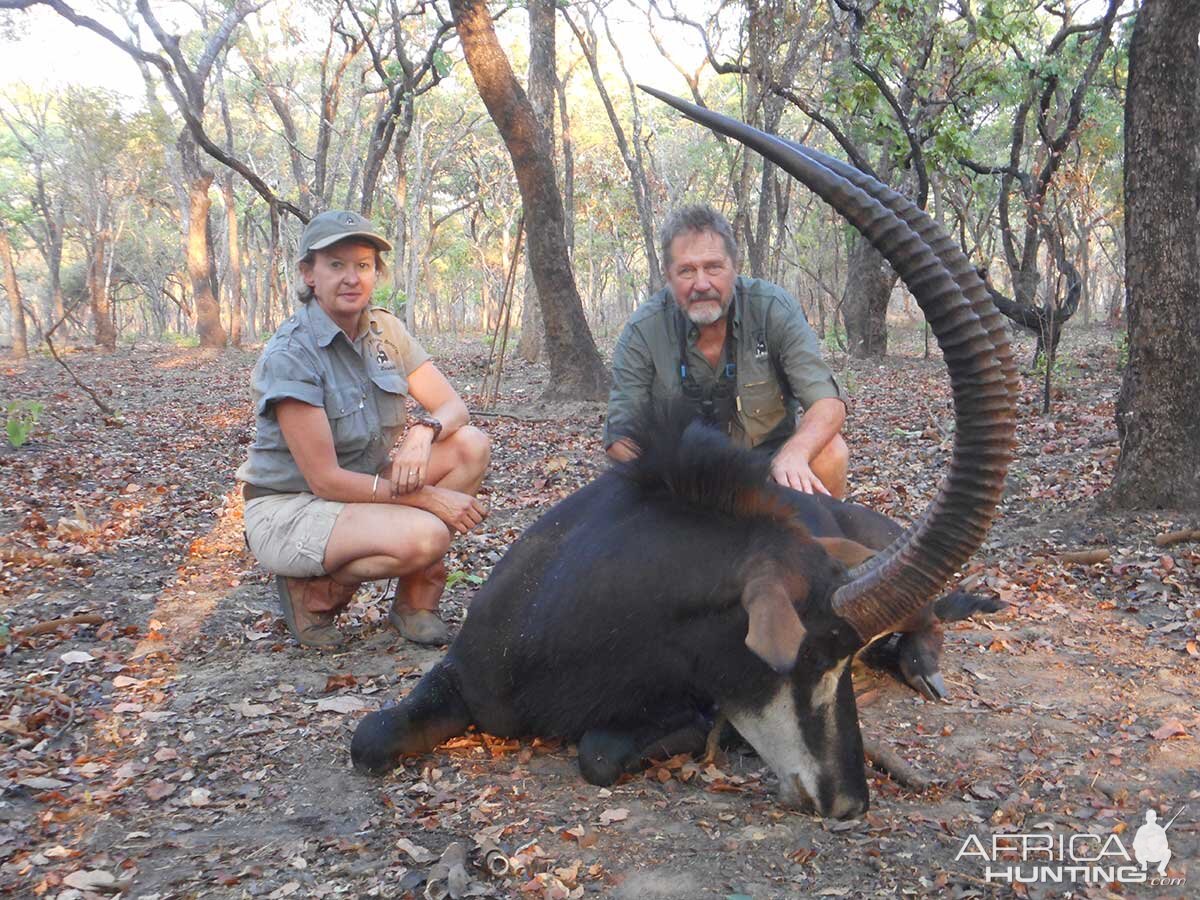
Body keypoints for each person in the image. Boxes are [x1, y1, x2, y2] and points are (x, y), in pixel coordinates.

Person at [237, 210, 490, 650]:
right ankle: (314, 595)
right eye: (336, 264)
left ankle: (414, 604)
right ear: (309, 274)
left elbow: (453, 406)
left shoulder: (384, 329)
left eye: (364, 264)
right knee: (427, 532)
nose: (352, 277)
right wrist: (429, 498)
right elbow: (325, 479)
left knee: (470, 446)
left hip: (366, 487)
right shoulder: (292, 352)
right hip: (293, 507)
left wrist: (421, 432)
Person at [604, 204, 849, 497]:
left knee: (831, 452)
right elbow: (620, 437)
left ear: (735, 266)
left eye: (713, 267)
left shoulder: (772, 308)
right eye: (686, 271)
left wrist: (793, 454)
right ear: (668, 276)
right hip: (681, 478)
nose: (702, 283)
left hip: (766, 466)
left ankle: (816, 541)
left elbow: (827, 403)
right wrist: (670, 478)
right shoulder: (643, 330)